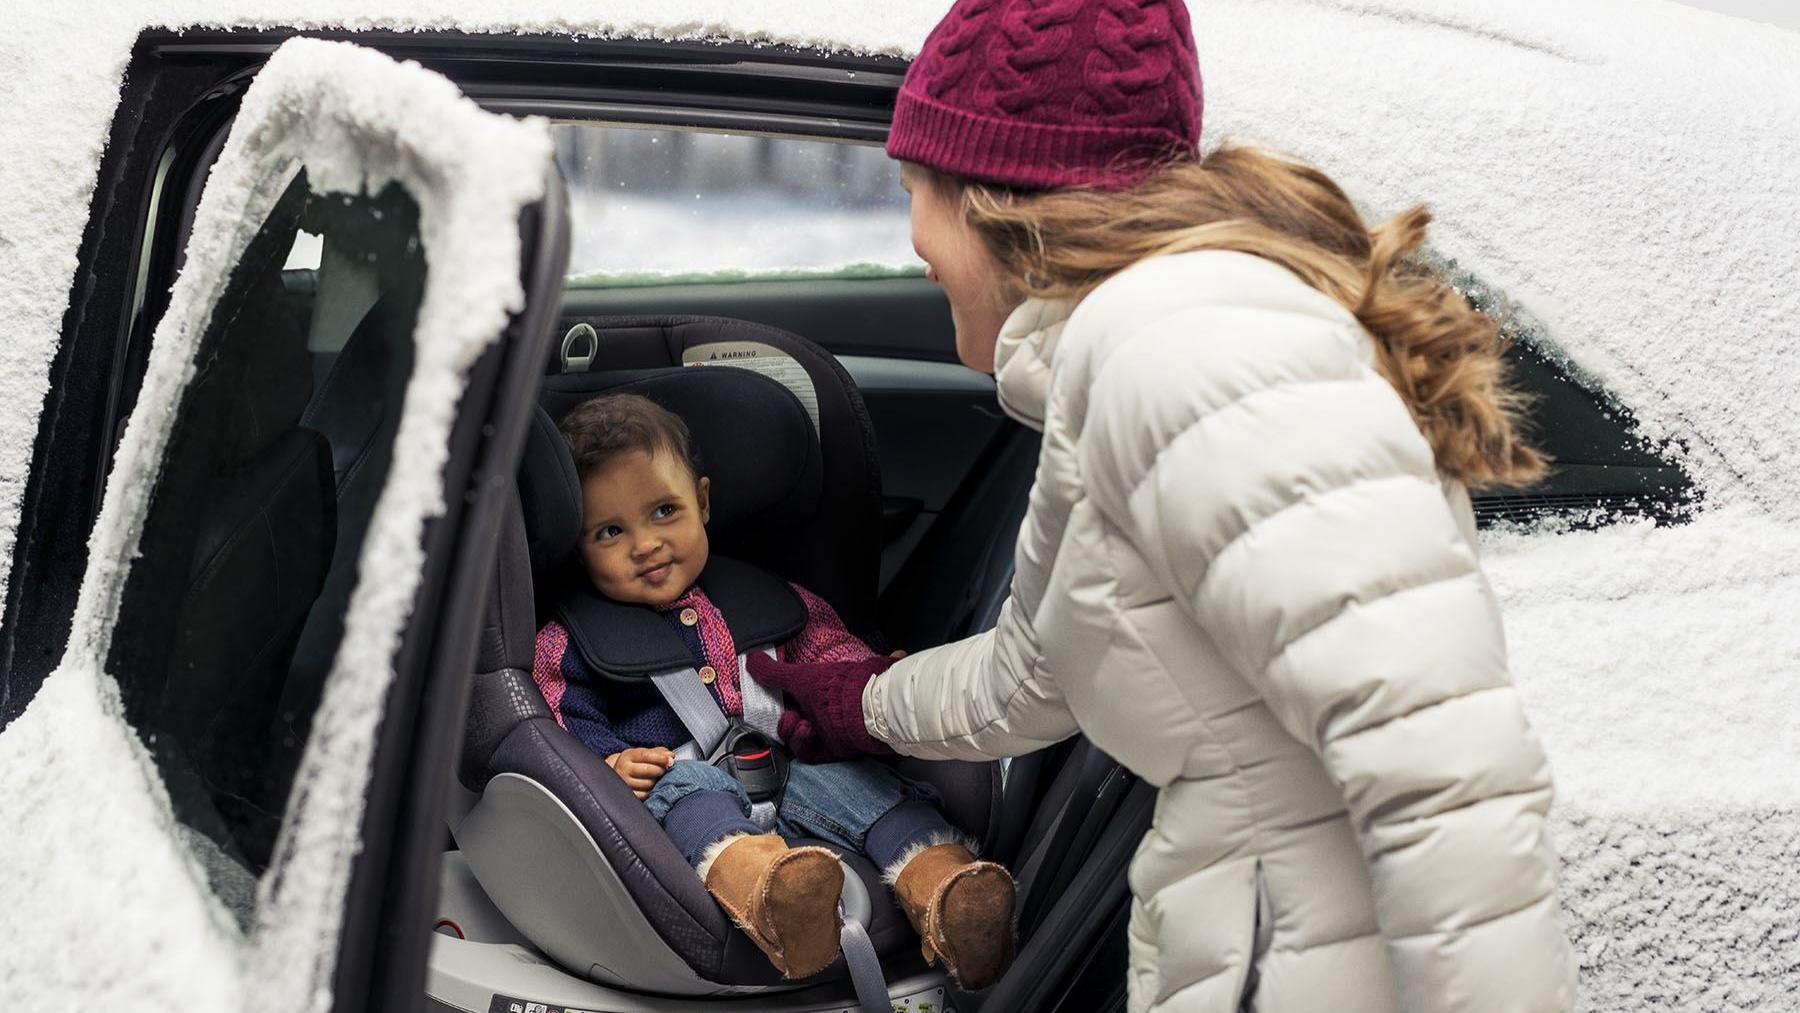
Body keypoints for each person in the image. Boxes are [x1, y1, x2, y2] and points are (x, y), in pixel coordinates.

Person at [744, 1, 1579, 1010]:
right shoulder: (1117, 357)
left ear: (998, 192)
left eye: (915, 182)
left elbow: (1443, 767)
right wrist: (861, 699)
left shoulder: (1180, 346)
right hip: (1245, 927)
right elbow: (1033, 676)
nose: (912, 235)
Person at [530, 393, 1016, 986]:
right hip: (680, 782)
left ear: (702, 502)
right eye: (610, 531)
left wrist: (876, 681)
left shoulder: (767, 598)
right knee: (687, 794)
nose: (646, 544)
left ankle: (949, 891)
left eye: (664, 511)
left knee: (867, 791)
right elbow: (561, 723)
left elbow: (827, 659)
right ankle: (776, 897)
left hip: (795, 762)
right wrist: (609, 763)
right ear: (578, 549)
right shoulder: (570, 641)